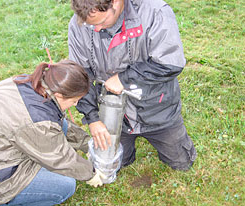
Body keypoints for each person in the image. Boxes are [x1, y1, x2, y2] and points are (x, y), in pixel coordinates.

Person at [68, 0, 197, 171]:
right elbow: (80, 76)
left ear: (116, 2)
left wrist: (124, 79)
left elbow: (170, 63)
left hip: (157, 108)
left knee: (182, 163)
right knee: (112, 165)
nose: (97, 29)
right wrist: (93, 119)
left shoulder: (155, 12)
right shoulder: (80, 23)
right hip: (114, 113)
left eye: (101, 22)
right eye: (91, 25)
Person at [0, 60, 104, 206]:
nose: (76, 104)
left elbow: (57, 122)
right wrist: (90, 174)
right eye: (74, 100)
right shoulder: (37, 122)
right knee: (65, 186)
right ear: (59, 94)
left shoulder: (36, 84)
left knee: (62, 127)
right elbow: (59, 159)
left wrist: (86, 144)